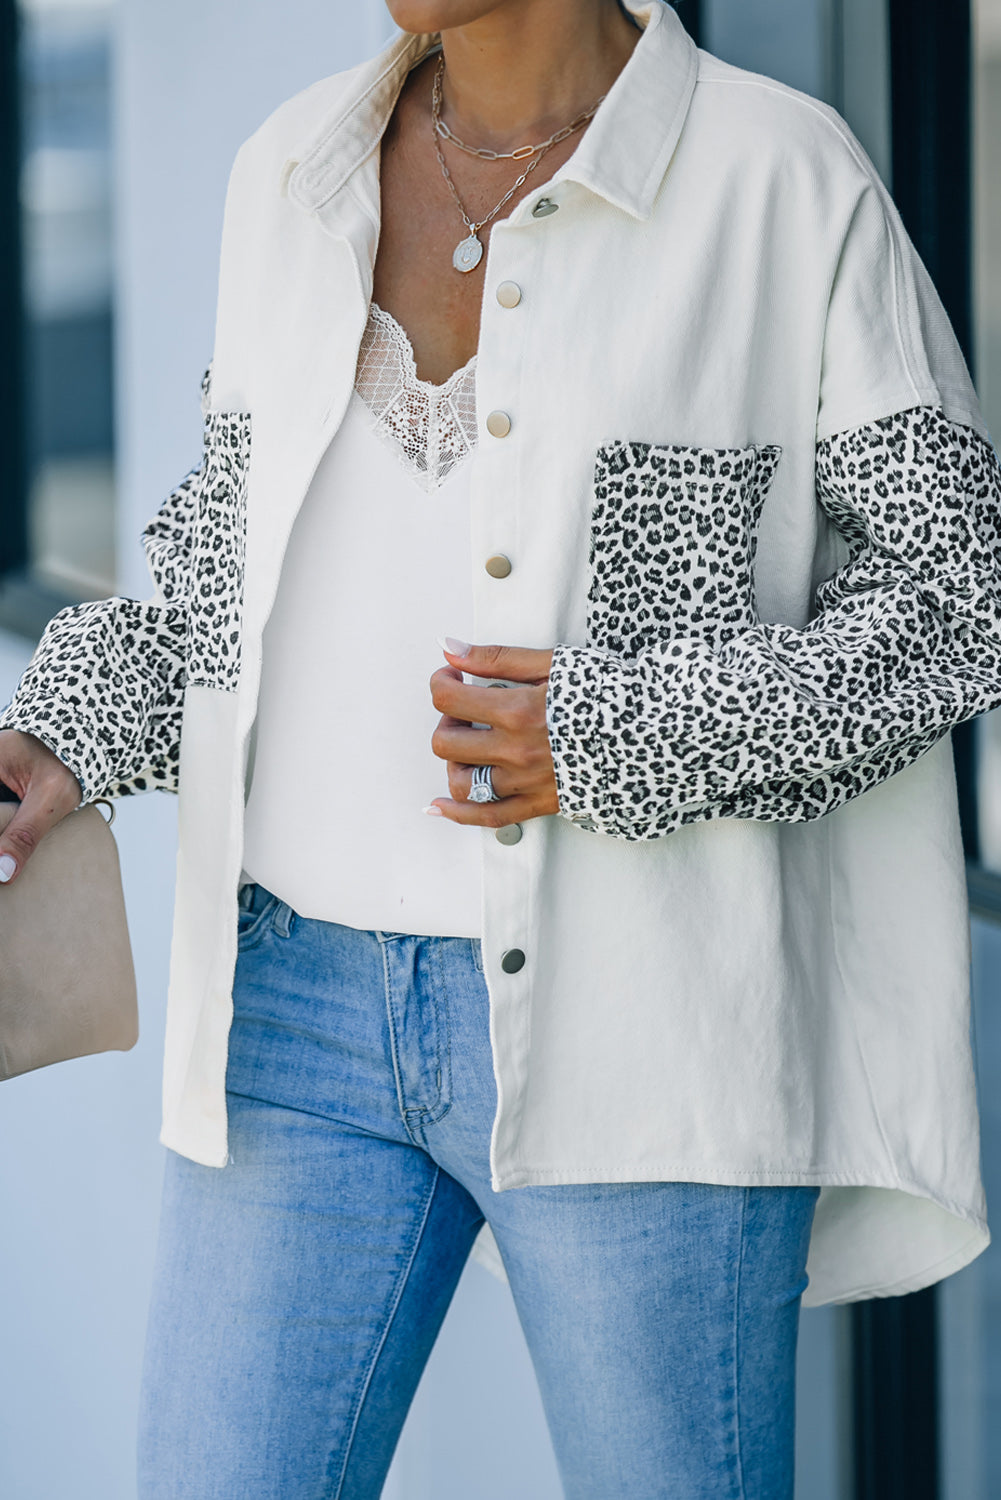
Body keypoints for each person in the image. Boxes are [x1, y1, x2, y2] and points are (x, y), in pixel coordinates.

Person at [1, 0, 999, 1494]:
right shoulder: (288, 172)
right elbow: (224, 578)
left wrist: (613, 734)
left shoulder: (781, 182)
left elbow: (956, 600)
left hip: (649, 1031)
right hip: (294, 1018)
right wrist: (68, 729)